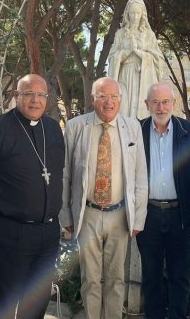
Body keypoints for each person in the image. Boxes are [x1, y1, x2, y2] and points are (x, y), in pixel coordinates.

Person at [60, 77, 148, 319]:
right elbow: (65, 174)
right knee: (90, 279)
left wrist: (138, 218)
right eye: (102, 96)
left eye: (114, 97)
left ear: (120, 99)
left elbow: (140, 175)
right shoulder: (76, 126)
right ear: (93, 99)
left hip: (120, 215)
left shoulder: (132, 127)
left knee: (116, 279)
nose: (109, 102)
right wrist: (65, 215)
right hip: (87, 213)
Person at [0, 74, 65, 319]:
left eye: (41, 95)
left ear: (47, 99)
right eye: (28, 94)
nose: (35, 100)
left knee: (37, 302)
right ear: (17, 96)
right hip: (9, 233)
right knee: (3, 301)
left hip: (48, 233)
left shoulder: (53, 129)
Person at [137, 83, 190, 319]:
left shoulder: (188, 131)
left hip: (180, 214)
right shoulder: (137, 131)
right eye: (155, 102)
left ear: (174, 104)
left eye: (166, 102)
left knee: (180, 274)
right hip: (148, 214)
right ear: (147, 104)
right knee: (151, 274)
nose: (161, 107)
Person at [107, 0, 164, 120]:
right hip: (124, 75)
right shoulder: (120, 34)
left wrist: (139, 52)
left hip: (142, 77)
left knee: (140, 110)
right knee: (123, 110)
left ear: (142, 14)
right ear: (127, 13)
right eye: (132, 13)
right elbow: (111, 57)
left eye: (138, 13)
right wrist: (126, 52)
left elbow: (158, 59)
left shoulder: (149, 35)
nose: (135, 16)